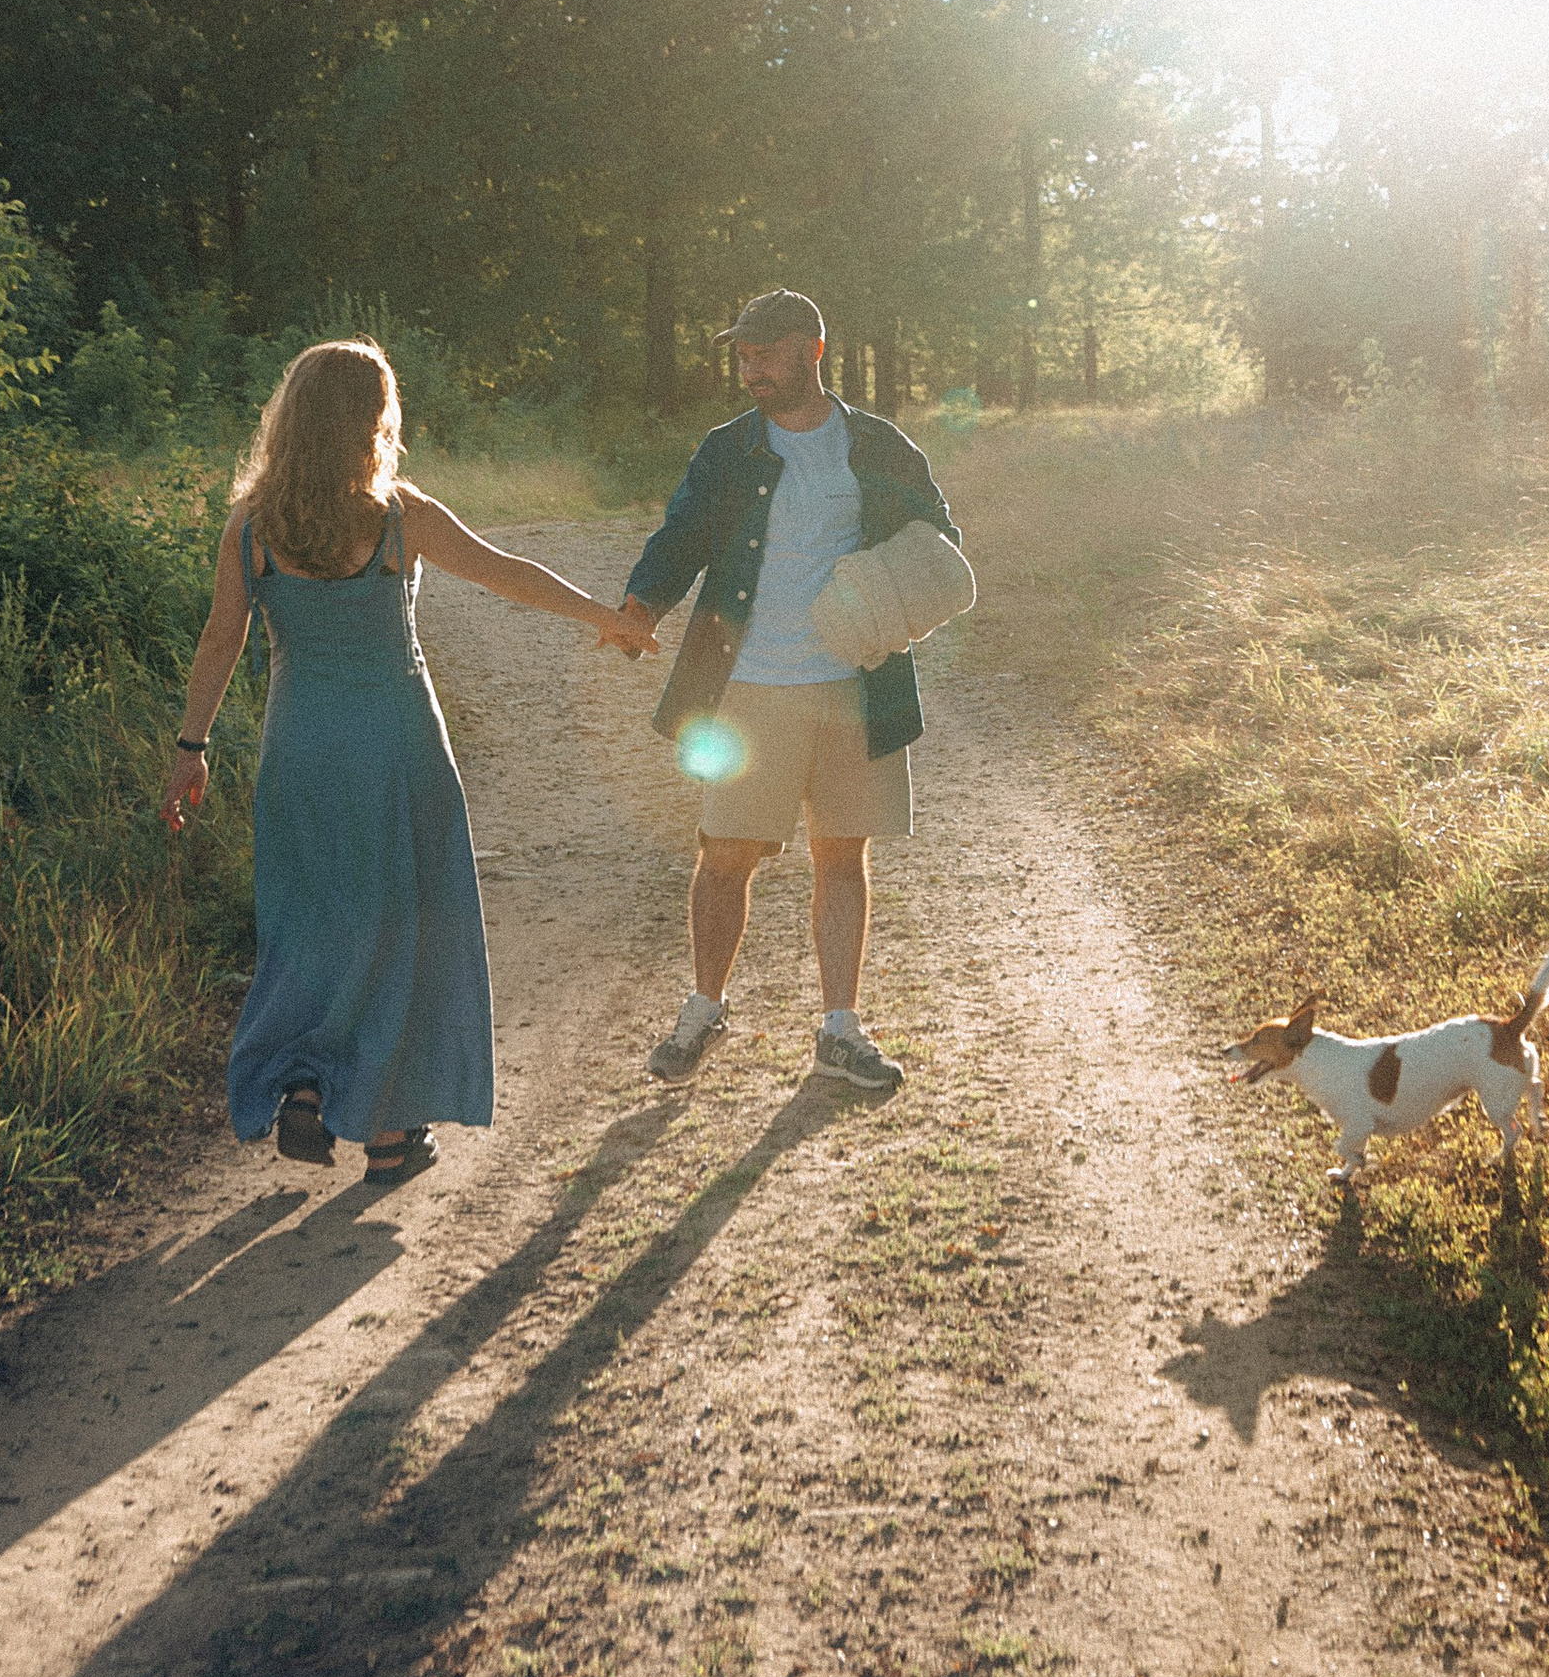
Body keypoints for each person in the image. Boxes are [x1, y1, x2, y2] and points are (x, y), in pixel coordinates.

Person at [161, 336, 630, 1186]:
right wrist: (607, 615)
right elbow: (508, 575)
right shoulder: (399, 517)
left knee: (309, 925)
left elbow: (220, 638)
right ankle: (388, 1134)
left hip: (301, 750)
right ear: (371, 422)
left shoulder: (252, 527)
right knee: (405, 927)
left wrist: (191, 748)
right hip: (398, 745)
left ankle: (305, 1084)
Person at [604, 289, 964, 1095]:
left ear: (813, 350)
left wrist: (894, 592)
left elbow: (937, 537)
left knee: (843, 857)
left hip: (856, 685)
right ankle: (704, 1010)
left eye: (765, 354)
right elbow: (681, 536)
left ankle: (840, 1029)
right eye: (743, 356)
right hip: (749, 689)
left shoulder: (877, 445)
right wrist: (640, 606)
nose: (751, 370)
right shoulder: (727, 450)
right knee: (725, 855)